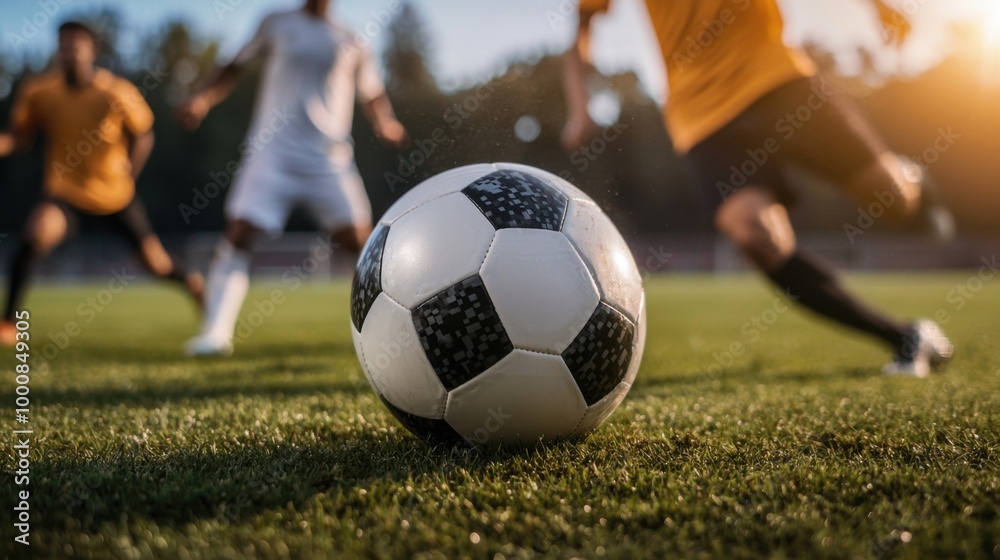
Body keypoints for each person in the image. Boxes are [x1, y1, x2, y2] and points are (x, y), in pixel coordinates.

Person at [563, 0, 954, 377]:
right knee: (754, 235)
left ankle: (910, 177)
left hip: (777, 80)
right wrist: (581, 107)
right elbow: (582, 26)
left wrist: (879, 5)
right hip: (702, 116)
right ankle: (904, 337)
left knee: (893, 198)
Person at [176, 0, 408, 357]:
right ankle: (216, 333)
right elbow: (233, 65)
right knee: (239, 232)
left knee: (364, 247)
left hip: (328, 158)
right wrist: (203, 99)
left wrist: (385, 122)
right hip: (273, 153)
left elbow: (372, 92)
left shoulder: (352, 40)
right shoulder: (275, 22)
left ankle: (391, 338)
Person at [0, 21, 203, 347]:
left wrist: (130, 173)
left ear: (92, 51)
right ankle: (8, 324)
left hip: (115, 196)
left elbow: (144, 134)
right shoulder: (40, 92)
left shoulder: (116, 92)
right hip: (65, 193)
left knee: (157, 264)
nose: (68, 52)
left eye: (75, 45)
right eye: (63, 45)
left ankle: (193, 284)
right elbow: (19, 137)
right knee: (36, 234)